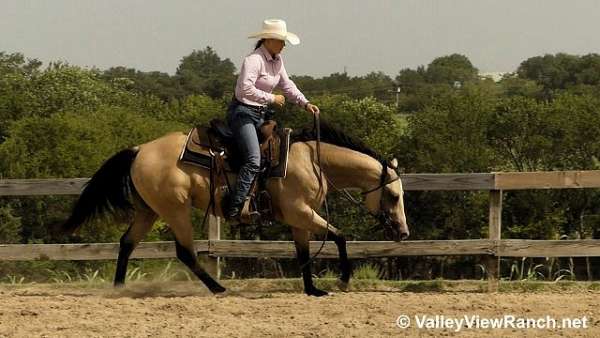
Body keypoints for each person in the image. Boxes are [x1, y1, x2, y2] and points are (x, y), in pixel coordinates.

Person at [224, 19, 320, 220]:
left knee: (276, 155)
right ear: (267, 40)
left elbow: (287, 85)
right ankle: (235, 207)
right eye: (280, 40)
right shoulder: (254, 60)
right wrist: (271, 98)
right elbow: (244, 89)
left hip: (260, 115)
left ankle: (262, 200)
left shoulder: (277, 61)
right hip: (242, 113)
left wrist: (305, 103)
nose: (284, 45)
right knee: (253, 160)